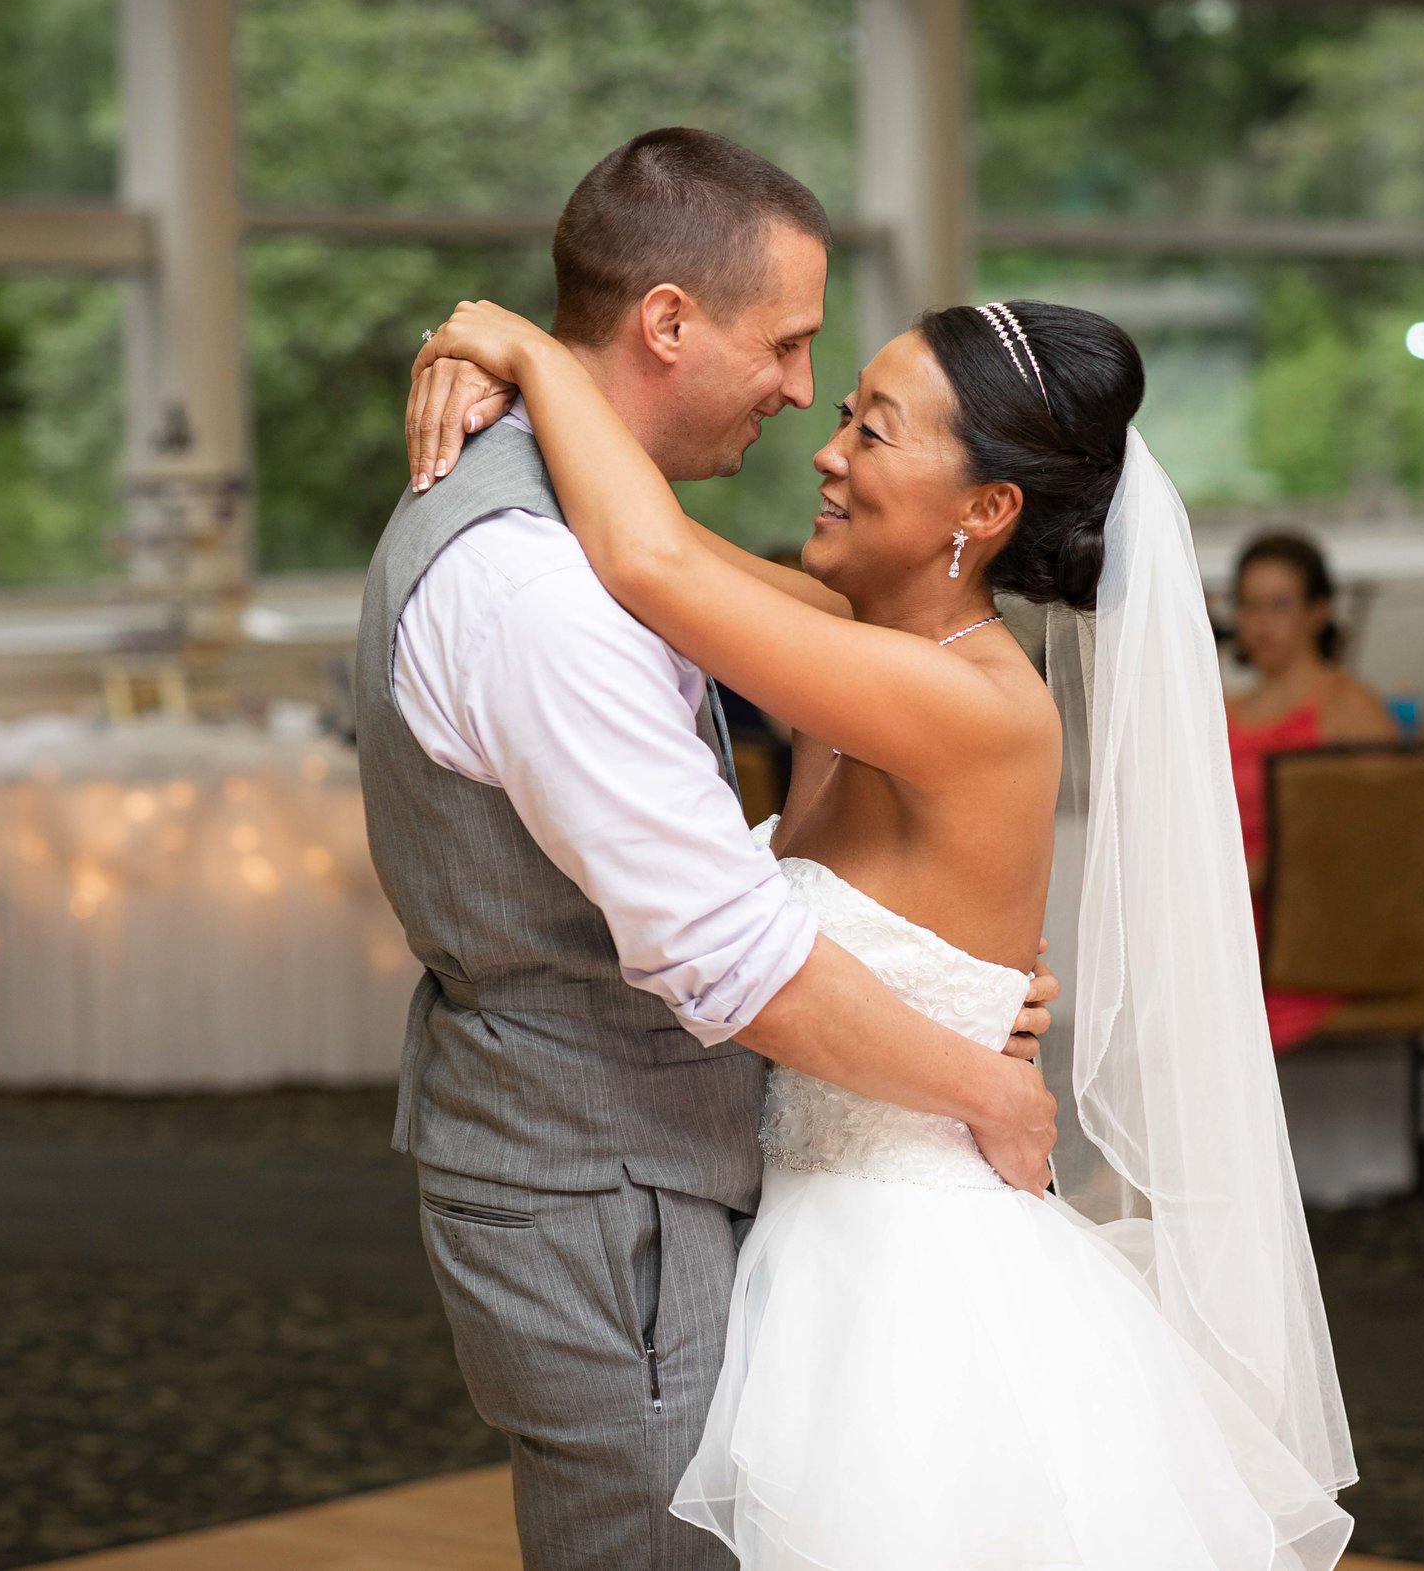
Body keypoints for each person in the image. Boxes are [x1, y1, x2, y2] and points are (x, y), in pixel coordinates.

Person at [411, 288, 1355, 1568]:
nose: (827, 445)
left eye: (876, 428)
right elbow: (629, 531)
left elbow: (652, 563)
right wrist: (504, 403)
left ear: (986, 509)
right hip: (791, 1237)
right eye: (845, 409)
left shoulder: (972, 704)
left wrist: (519, 344)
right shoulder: (852, 646)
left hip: (910, 1287)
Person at [354, 130, 1061, 1571]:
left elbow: (678, 845)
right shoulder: (542, 580)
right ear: (668, 321)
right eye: (794, 347)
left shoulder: (576, 520)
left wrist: (925, 968)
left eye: (864, 409)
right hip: (605, 1185)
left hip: (654, 1166)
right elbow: (722, 947)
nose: (805, 396)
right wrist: (981, 1076)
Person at [1221, 532, 1397, 1050]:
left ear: (1318, 612)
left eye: (1279, 605)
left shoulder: (1347, 707)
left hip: (1304, 939)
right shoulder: (1225, 710)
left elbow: (1386, 838)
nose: (1261, 623)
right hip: (1227, 918)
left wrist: (1258, 872)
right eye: (1250, 605)